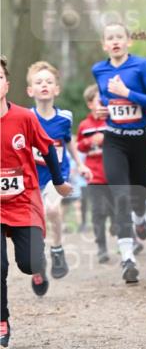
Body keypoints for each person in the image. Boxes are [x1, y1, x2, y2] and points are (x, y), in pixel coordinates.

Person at [1, 56, 72, 349]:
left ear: (7, 84)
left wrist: (59, 182)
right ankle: (2, 319)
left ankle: (42, 264)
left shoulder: (24, 118)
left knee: (29, 263)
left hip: (24, 200)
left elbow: (49, 149)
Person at [91, 24, 146, 284]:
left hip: (140, 141)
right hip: (114, 141)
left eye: (119, 37)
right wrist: (102, 108)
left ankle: (141, 218)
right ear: (104, 45)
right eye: (110, 38)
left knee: (138, 198)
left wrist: (127, 93)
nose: (115, 42)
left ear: (128, 42)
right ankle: (127, 257)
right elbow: (105, 99)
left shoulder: (141, 65)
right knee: (121, 196)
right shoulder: (99, 69)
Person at [26, 61, 92, 279]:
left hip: (58, 175)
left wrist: (80, 164)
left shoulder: (65, 117)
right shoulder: (26, 118)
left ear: (57, 89)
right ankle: (39, 256)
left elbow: (68, 141)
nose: (44, 85)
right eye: (39, 82)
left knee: (52, 209)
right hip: (33, 176)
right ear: (30, 90)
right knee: (34, 219)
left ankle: (56, 248)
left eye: (49, 81)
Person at [77, 85, 115, 263]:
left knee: (116, 208)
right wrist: (91, 140)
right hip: (94, 175)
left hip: (114, 173)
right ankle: (102, 248)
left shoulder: (113, 121)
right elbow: (79, 146)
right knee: (98, 212)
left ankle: (117, 226)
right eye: (99, 101)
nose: (102, 104)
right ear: (90, 104)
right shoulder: (84, 126)